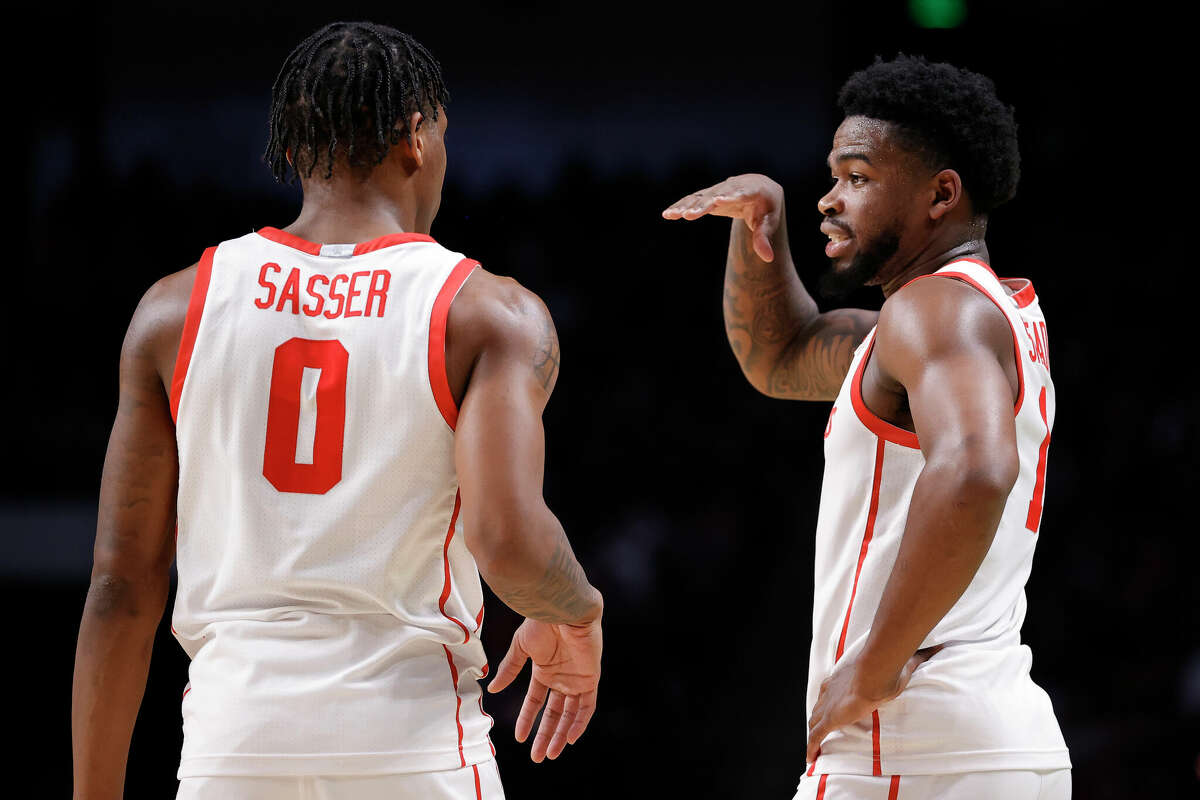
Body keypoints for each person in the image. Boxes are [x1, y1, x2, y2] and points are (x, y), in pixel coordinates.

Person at [71, 21, 603, 800]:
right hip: (417, 749)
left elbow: (121, 591)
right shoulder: (489, 314)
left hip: (233, 751)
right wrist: (579, 612)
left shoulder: (172, 312)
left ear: (293, 151)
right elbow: (507, 540)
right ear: (416, 138)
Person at [663, 55, 1069, 799]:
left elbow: (978, 468)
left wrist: (874, 664)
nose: (830, 199)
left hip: (912, 748)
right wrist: (759, 223)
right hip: (998, 747)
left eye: (857, 177)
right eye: (833, 176)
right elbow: (781, 357)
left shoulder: (933, 310)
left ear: (940, 194)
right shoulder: (980, 315)